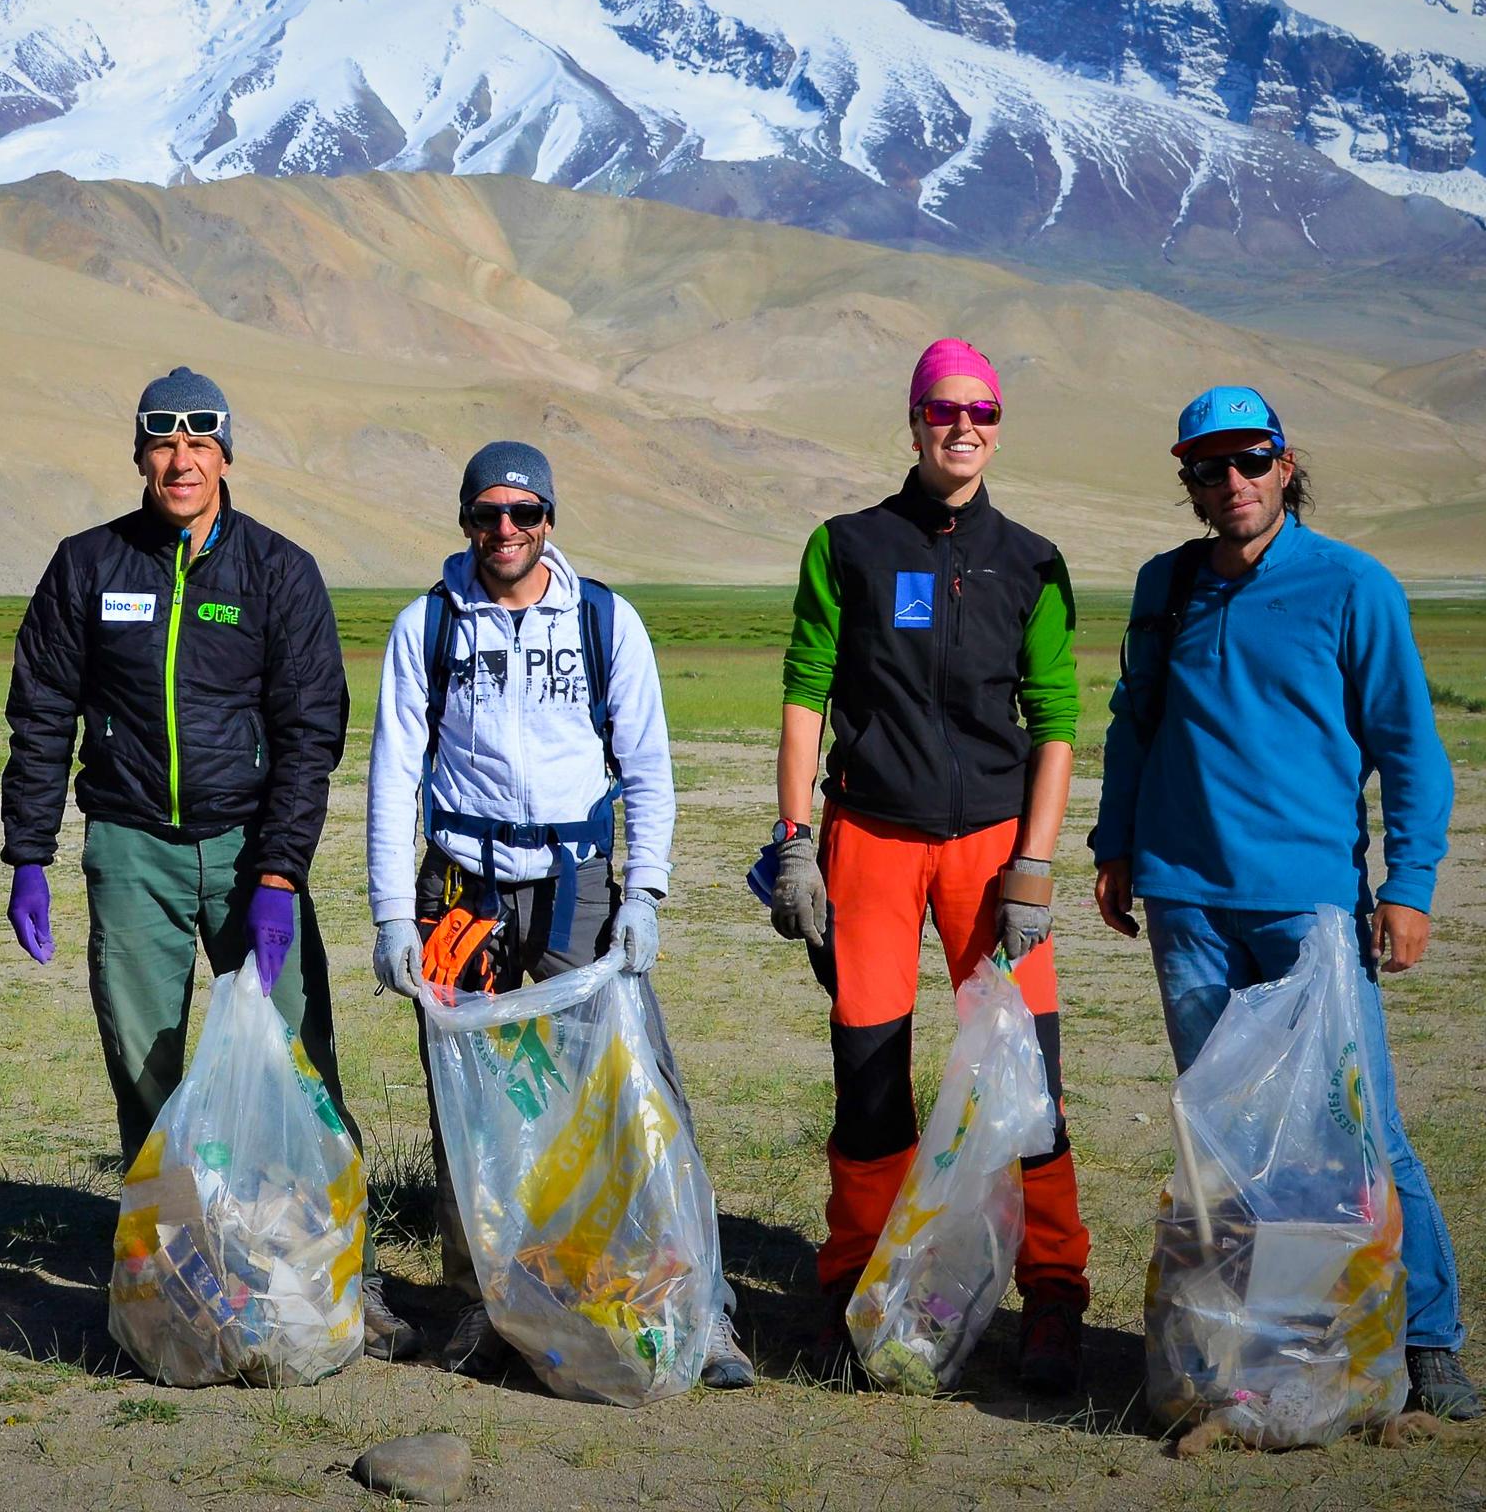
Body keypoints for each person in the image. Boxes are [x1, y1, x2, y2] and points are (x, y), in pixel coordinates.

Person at [0, 366, 419, 1360]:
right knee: (145, 1068)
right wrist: (28, 853)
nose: (179, 461)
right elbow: (41, 711)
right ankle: (176, 1275)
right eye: (160, 443)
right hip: (129, 846)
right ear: (139, 453)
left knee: (297, 1064)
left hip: (245, 854)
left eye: (198, 444)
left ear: (226, 453)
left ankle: (334, 1273)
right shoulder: (88, 565)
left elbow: (310, 731)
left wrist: (278, 877)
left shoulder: (277, 572)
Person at [1092, 385, 1477, 1420]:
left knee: (1359, 1129)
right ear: (1187, 480)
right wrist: (1113, 845)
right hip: (1184, 903)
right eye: (1208, 468)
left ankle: (1427, 1334)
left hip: (1307, 908)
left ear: (1285, 464)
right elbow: (1135, 724)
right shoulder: (1163, 586)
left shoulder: (1351, 587)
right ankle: (1256, 1338)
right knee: (1226, 1133)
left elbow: (1407, 750)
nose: (1232, 484)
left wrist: (1404, 887)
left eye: (1250, 461)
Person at [366, 441, 754, 1388]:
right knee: (468, 1103)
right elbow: (391, 772)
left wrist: (647, 896)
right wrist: (389, 917)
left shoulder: (602, 621)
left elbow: (648, 765)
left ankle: (693, 1304)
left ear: (549, 521)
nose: (506, 530)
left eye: (524, 513)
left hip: (578, 880)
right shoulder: (427, 625)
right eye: (487, 513)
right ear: (464, 521)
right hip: (458, 890)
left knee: (633, 1086)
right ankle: (482, 1303)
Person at [768, 339, 1092, 1394]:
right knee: (868, 1081)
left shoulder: (1030, 563)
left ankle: (1050, 1293)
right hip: (868, 842)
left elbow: (1053, 721)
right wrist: (792, 842)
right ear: (911, 423)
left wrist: (1034, 868)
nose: (963, 425)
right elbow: (805, 693)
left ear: (997, 426)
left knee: (1026, 1079)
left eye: (982, 410)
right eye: (942, 409)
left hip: (993, 851)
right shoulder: (849, 546)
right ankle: (852, 1286)